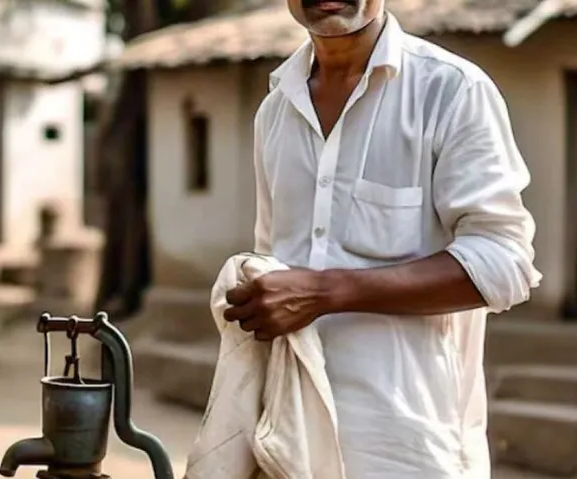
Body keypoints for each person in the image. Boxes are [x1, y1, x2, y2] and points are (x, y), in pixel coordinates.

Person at [222, 0, 542, 477]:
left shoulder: (451, 92)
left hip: (408, 449)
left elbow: (504, 263)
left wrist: (327, 292)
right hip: (292, 446)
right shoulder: (275, 112)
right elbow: (274, 267)